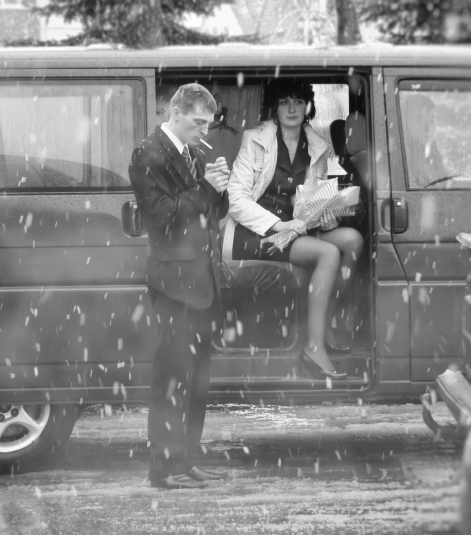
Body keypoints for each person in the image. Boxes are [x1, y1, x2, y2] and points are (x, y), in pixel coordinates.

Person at [220, 79, 364, 380]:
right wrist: (279, 224)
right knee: (328, 253)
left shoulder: (317, 146)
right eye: (284, 101)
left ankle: (324, 322)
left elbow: (314, 197)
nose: (292, 108)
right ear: (274, 106)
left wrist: (328, 217)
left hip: (298, 227)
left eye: (298, 101)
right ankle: (313, 347)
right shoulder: (255, 140)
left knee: (352, 240)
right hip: (257, 231)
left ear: (307, 106)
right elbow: (236, 200)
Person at [129, 83, 230, 490]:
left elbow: (211, 214)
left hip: (202, 282)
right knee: (171, 379)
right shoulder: (147, 153)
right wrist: (205, 188)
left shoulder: (197, 153)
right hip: (172, 284)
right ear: (176, 113)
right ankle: (163, 469)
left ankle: (187, 460)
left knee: (197, 380)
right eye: (198, 122)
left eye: (208, 124)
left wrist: (219, 189)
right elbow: (163, 218)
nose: (205, 131)